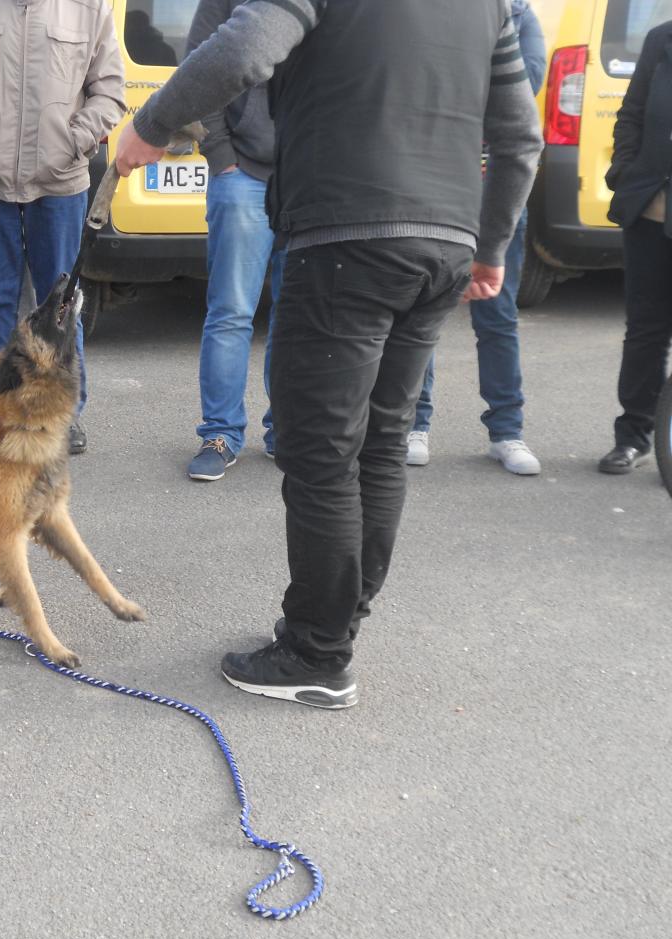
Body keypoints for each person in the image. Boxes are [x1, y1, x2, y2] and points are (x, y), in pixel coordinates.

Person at [114, 0, 542, 708]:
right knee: (379, 446)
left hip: (346, 239)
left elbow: (246, 50)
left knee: (321, 457)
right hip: (442, 246)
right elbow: (520, 137)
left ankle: (315, 650)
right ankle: (337, 620)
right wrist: (490, 247)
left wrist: (151, 123)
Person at [0, 0, 125, 455]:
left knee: (60, 304)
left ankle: (63, 415)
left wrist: (73, 141)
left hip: (60, 184)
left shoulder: (87, 8)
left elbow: (109, 90)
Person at [406, 0, 547, 477]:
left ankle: (507, 432)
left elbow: (525, 84)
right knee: (420, 312)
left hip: (496, 200)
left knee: (497, 318)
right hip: (436, 191)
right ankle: (413, 424)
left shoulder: (520, 13)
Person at [183, 0, 284, 483]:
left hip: (312, 179)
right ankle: (219, 435)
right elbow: (199, 68)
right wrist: (221, 153)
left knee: (303, 315)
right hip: (241, 173)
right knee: (231, 312)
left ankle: (288, 431)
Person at [598, 17, 672, 475]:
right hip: (651, 209)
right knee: (645, 329)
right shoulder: (660, 39)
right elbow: (632, 113)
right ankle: (633, 436)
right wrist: (625, 171)